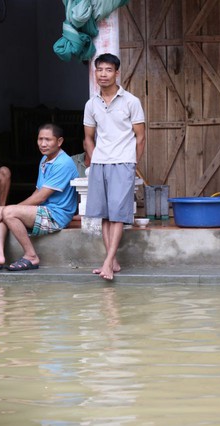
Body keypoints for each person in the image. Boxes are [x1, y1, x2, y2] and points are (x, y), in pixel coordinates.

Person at [0, 123, 79, 271]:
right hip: (44, 210)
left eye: (48, 140)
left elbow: (41, 197)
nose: (43, 144)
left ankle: (31, 256)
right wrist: (11, 209)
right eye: (40, 139)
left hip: (57, 216)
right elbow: (37, 192)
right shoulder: (45, 159)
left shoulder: (63, 163)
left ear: (59, 142)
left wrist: (13, 208)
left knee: (8, 212)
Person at [83, 53, 146, 281]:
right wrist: (95, 157)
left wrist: (132, 162)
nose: (103, 74)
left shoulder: (131, 101)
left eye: (108, 70)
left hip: (123, 163)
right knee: (104, 216)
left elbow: (140, 137)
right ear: (95, 72)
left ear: (117, 73)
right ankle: (113, 261)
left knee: (118, 215)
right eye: (99, 70)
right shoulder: (91, 104)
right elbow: (88, 138)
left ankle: (108, 263)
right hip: (100, 163)